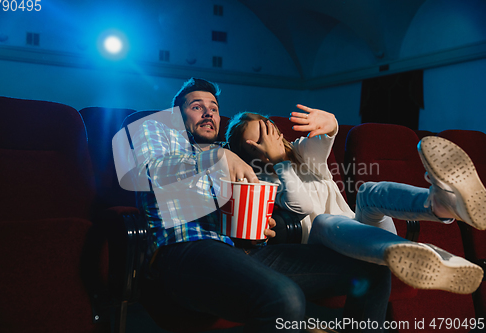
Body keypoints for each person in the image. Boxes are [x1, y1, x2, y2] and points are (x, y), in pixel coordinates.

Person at [129, 78, 392, 333]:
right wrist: (216, 156)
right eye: (197, 107)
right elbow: (153, 171)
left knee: (373, 269)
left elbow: (273, 193)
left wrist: (258, 229)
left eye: (214, 108)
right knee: (285, 298)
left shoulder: (235, 153)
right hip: (184, 250)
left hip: (242, 253)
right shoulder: (159, 135)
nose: (208, 113)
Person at [225, 109, 485, 295]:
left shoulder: (302, 152)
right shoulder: (260, 180)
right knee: (324, 221)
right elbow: (301, 205)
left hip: (361, 236)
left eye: (267, 131)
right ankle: (419, 256)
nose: (267, 141)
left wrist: (331, 124)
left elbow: (322, 141)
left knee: (368, 192)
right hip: (323, 250)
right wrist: (279, 162)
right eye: (256, 142)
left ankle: (442, 203)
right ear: (247, 153)